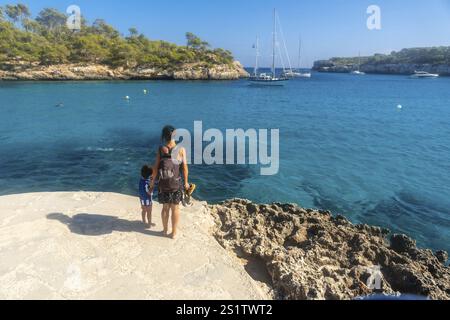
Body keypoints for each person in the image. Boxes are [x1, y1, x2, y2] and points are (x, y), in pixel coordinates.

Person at [151, 125, 189, 239]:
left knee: (165, 208)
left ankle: (164, 230)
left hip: (163, 184)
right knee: (175, 208)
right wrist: (186, 183)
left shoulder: (161, 149)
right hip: (176, 184)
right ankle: (173, 233)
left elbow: (155, 168)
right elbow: (185, 167)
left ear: (164, 136)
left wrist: (152, 183)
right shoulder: (181, 149)